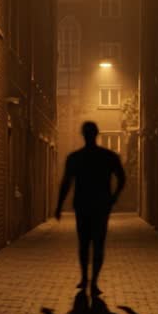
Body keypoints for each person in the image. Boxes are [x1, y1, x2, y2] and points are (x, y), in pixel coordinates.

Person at [56, 121, 126, 296]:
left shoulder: (75, 157)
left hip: (83, 205)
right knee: (98, 244)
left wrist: (58, 206)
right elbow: (122, 178)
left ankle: (84, 278)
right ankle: (93, 281)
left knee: (84, 243)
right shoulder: (108, 156)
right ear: (97, 134)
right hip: (101, 205)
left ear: (83, 135)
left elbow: (66, 183)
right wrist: (114, 196)